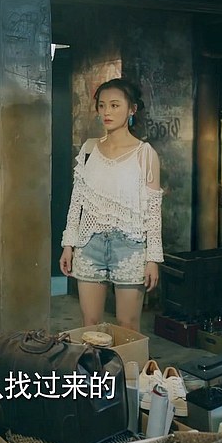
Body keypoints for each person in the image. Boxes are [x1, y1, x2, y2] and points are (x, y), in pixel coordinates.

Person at [59, 78, 163, 332]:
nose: (107, 111)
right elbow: (77, 201)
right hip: (89, 244)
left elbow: (153, 210)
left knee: (127, 325)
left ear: (132, 109)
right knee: (90, 325)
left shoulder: (145, 153)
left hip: (130, 246)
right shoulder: (89, 149)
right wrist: (68, 244)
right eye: (102, 105)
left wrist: (153, 258)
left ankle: (126, 363)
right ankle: (95, 362)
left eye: (115, 105)